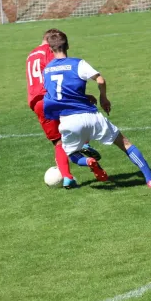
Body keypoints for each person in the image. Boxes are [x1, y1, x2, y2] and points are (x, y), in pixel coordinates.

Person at [43, 30, 151, 188]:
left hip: (69, 120)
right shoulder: (78, 63)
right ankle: (150, 179)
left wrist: (81, 96)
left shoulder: (46, 70)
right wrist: (103, 97)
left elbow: (57, 94)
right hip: (91, 116)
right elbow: (100, 80)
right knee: (126, 144)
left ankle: (88, 161)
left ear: (50, 49)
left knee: (71, 154)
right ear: (67, 45)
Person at [26, 29, 104, 189]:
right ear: (50, 41)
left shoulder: (30, 55)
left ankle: (74, 172)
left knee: (60, 143)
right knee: (74, 123)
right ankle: (85, 144)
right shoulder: (48, 51)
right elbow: (57, 74)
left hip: (36, 102)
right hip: (51, 97)